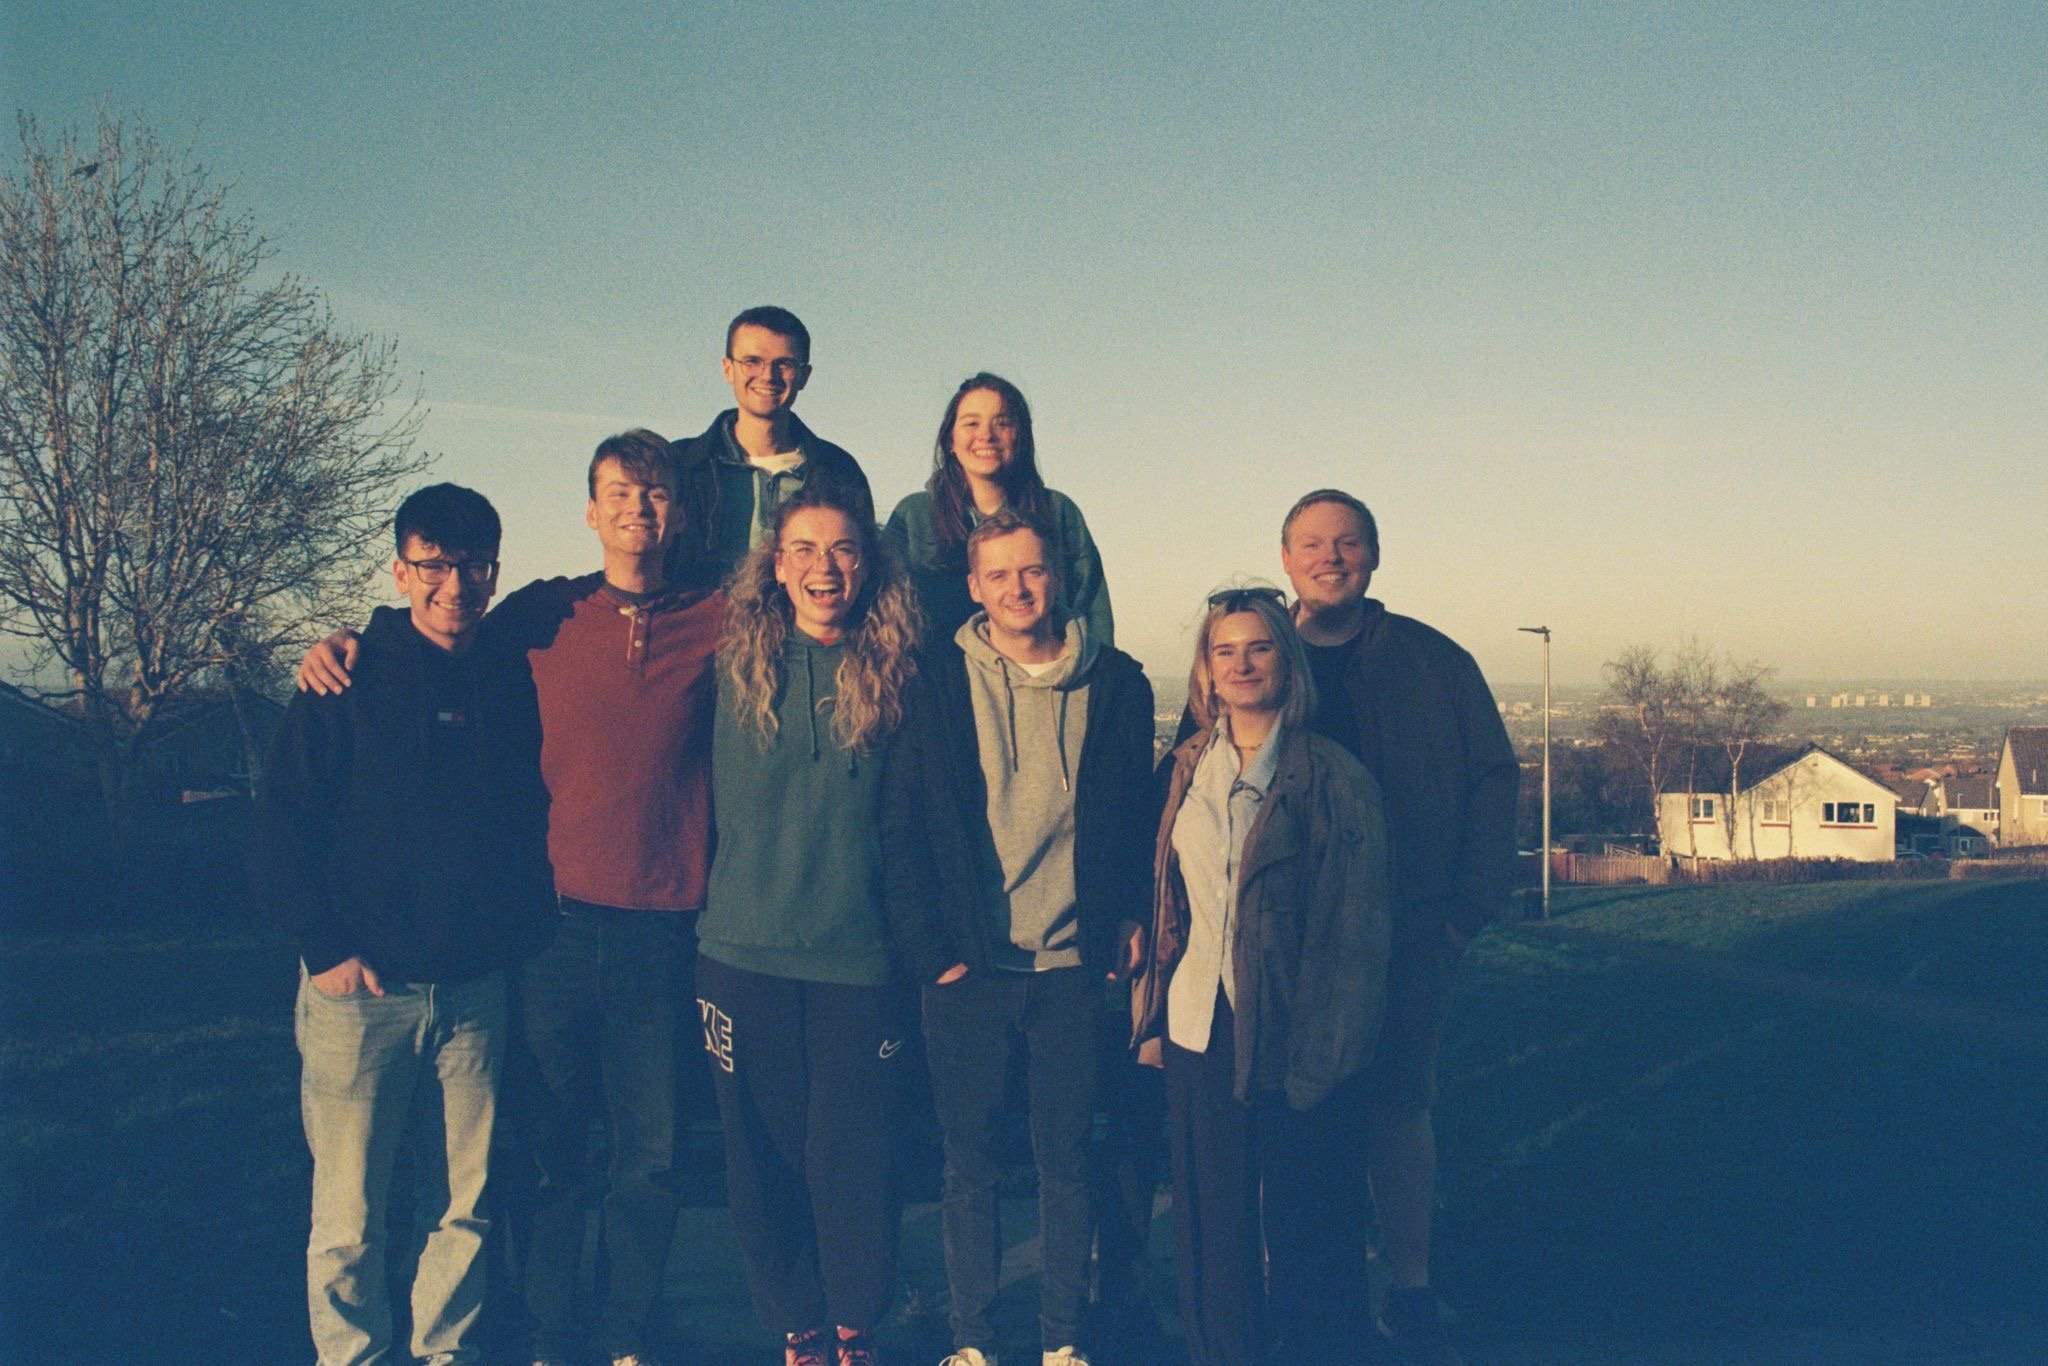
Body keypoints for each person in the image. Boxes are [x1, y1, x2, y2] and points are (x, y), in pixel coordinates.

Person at [298, 431, 724, 1366]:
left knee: (645, 1160)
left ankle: (621, 1332)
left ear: (679, 512)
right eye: (618, 491)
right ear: (589, 509)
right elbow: (429, 628)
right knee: (537, 1157)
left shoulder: (720, 619)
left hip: (664, 928)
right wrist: (349, 637)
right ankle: (544, 1332)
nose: (637, 510)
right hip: (549, 928)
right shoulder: (542, 614)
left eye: (655, 495)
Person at [255, 483, 554, 1366]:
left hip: (471, 993)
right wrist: (325, 948)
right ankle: (352, 1356)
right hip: (361, 993)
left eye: (473, 567)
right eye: (434, 565)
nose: (454, 585)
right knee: (349, 1214)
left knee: (461, 1204)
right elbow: (281, 822)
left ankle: (443, 1353)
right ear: (400, 569)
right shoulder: (346, 677)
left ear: (496, 574)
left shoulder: (508, 673)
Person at [880, 510, 1154, 1366]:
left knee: (1067, 1162)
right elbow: (903, 827)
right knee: (969, 1168)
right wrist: (936, 954)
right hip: (970, 968)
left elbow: (1136, 820)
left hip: (1072, 966)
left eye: (1031, 571)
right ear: (973, 587)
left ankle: (1061, 1341)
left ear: (1059, 576)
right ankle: (974, 1341)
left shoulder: (1119, 684)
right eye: (998, 575)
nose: (1017, 588)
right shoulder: (932, 681)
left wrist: (1124, 923)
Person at [1278, 489, 1520, 1366]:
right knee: (1289, 1108)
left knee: (1397, 1104)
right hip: (1283, 931)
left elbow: (1494, 781)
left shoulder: (1432, 661)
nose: (1330, 556)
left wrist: (1465, 911)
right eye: (1312, 543)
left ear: (1374, 556)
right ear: (1286, 560)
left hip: (1409, 925)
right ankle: (1296, 1280)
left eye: (1347, 542)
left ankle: (1409, 1285)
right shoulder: (1258, 653)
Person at [1133, 588, 1392, 1366]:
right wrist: (1147, 1019)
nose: (1241, 665)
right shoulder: (1183, 770)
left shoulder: (1332, 778)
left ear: (1288, 660)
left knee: (1308, 1224)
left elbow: (1357, 929)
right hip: (1194, 1025)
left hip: (1292, 1026)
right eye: (1224, 651)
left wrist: (1331, 1046)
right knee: (1211, 1225)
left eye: (1259, 648)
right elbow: (1163, 899)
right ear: (1205, 673)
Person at [693, 489, 921, 1366]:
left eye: (844, 549)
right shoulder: (723, 657)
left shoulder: (901, 667)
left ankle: (858, 1324)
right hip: (741, 952)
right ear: (776, 564)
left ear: (869, 563)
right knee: (762, 1161)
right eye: (805, 549)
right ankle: (797, 1326)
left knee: (854, 1161)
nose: (825, 566)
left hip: (859, 959)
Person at [884, 373, 1113, 647]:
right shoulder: (913, 516)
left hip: (1041, 681)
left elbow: (1093, 611)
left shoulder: (1058, 512)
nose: (986, 435)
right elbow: (884, 612)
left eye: (1002, 423)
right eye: (971, 423)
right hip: (940, 684)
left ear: (1020, 436)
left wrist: (1099, 680)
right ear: (950, 441)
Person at [673, 305, 875, 579]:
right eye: (752, 361)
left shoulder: (838, 471)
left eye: (784, 364)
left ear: (804, 376)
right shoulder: (681, 464)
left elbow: (863, 567)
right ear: (728, 369)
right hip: (700, 621)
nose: (768, 375)